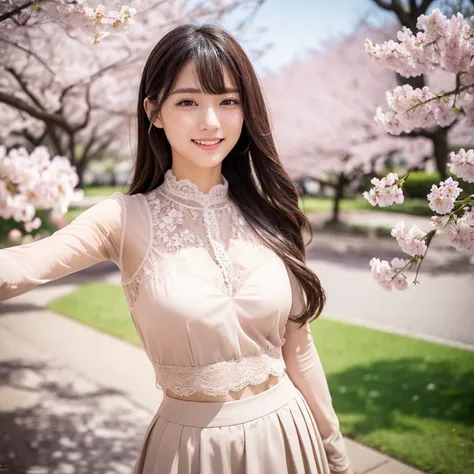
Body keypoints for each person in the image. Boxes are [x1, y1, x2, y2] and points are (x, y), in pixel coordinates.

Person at [0, 23, 353, 474]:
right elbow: (21, 267)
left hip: (289, 437)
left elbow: (299, 350)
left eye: (228, 101)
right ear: (155, 111)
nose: (211, 121)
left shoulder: (269, 214)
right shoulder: (124, 218)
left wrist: (336, 456)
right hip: (192, 453)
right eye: (188, 101)